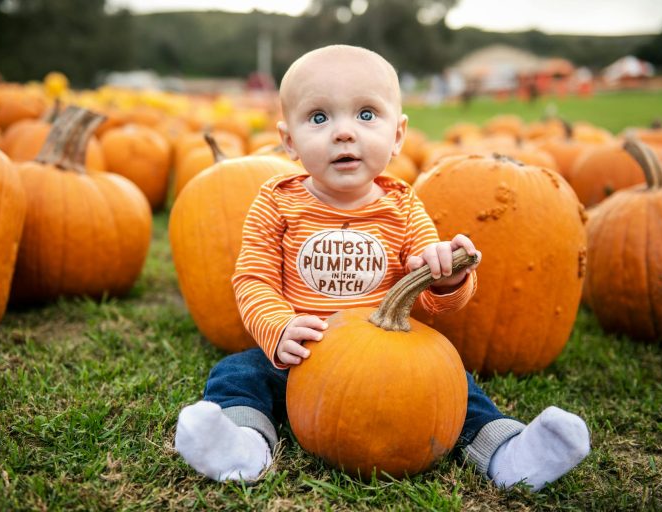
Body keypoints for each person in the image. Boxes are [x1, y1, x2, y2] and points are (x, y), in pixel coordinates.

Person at [174, 45, 590, 491]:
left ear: (398, 135)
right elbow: (253, 278)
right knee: (238, 373)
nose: (344, 133)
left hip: (390, 361)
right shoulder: (276, 202)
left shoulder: (405, 207)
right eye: (319, 118)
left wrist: (448, 277)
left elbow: (432, 295)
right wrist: (278, 328)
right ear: (289, 140)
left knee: (458, 389)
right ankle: (244, 444)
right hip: (302, 353)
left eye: (367, 115)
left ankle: (508, 452)